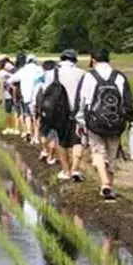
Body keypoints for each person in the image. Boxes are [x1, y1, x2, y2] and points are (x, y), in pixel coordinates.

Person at [75, 48, 133, 201]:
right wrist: (131, 120)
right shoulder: (119, 77)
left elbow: (82, 101)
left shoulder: (89, 76)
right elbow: (128, 102)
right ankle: (110, 186)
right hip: (116, 122)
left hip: (95, 122)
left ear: (93, 59)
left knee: (98, 152)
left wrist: (79, 120)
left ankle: (105, 184)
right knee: (112, 154)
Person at [38, 49, 87, 182]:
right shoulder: (83, 74)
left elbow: (45, 92)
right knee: (78, 141)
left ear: (61, 59)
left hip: (58, 113)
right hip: (78, 112)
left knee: (61, 142)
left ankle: (66, 171)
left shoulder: (52, 73)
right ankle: (75, 170)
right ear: (75, 60)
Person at [7, 54, 43, 144]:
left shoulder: (23, 70)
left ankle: (29, 132)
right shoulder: (40, 69)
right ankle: (36, 136)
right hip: (38, 97)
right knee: (36, 117)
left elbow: (10, 80)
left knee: (27, 115)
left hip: (26, 96)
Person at [0, 55, 18, 135]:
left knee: (8, 111)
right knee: (16, 111)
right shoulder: (13, 68)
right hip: (17, 93)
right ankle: (16, 129)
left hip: (9, 94)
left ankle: (9, 128)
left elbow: (3, 84)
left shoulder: (2, 72)